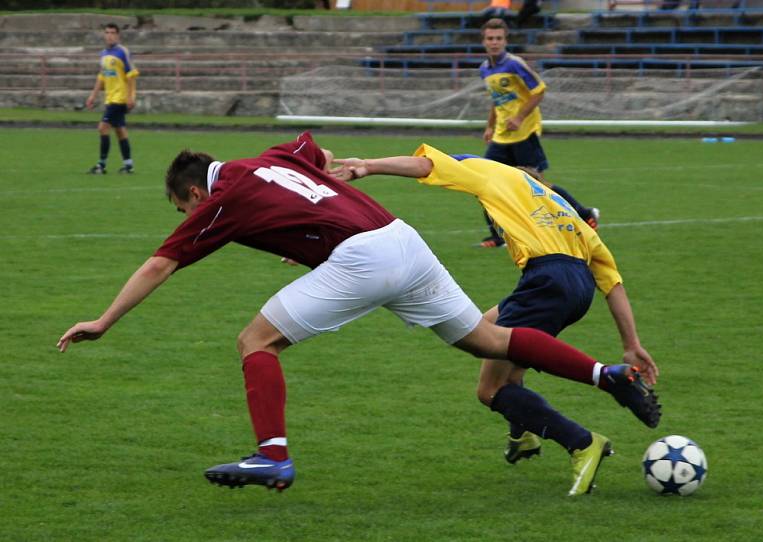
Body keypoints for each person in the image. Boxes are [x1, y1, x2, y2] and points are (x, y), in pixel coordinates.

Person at [57, 132, 658, 497]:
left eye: (181, 207)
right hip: (401, 238)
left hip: (361, 258)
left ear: (192, 194)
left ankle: (272, 457)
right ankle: (609, 375)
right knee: (488, 340)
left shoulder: (221, 201)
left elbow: (160, 265)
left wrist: (104, 320)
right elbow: (316, 152)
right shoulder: (273, 156)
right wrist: (315, 221)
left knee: (255, 342)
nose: (186, 214)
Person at [330, 145, 661, 488]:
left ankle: (582, 443)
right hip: (576, 288)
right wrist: (631, 344)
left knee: (490, 389)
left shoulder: (494, 172)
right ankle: (524, 434)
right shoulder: (564, 208)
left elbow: (425, 164)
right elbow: (613, 283)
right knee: (486, 328)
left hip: (545, 281)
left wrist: (368, 166)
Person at [478, 18, 598, 248]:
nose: (494, 43)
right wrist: (490, 126)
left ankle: (584, 213)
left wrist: (520, 117)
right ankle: (498, 236)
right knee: (486, 183)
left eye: (499, 39)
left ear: (505, 40)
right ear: (483, 41)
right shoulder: (485, 69)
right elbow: (496, 100)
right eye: (490, 39)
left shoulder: (514, 64)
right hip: (502, 136)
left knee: (539, 185)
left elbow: (539, 90)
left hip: (524, 133)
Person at [86, 23, 139, 175]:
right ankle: (128, 165)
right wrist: (93, 95)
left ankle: (101, 166)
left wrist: (131, 97)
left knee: (103, 128)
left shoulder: (123, 52)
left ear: (118, 35)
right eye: (107, 32)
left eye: (112, 33)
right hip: (110, 98)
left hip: (120, 98)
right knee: (120, 131)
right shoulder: (103, 54)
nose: (109, 35)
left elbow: (131, 76)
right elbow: (101, 77)